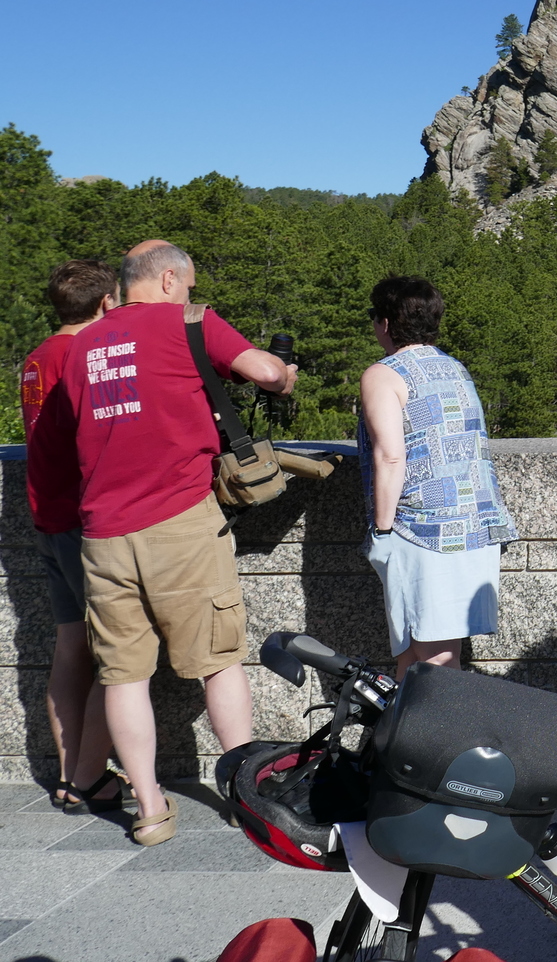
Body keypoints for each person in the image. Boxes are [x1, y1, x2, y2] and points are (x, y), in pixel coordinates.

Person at [41, 240, 297, 845]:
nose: (188, 294)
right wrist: (283, 375)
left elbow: (69, 435)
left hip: (102, 533)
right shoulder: (190, 320)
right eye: (185, 284)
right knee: (218, 660)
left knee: (123, 675)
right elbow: (263, 372)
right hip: (179, 520)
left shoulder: (82, 346)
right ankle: (247, 794)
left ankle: (151, 808)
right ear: (167, 279)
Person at [358, 276, 516, 677]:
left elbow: (391, 457)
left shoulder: (383, 374)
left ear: (387, 323)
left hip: (426, 531)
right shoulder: (455, 368)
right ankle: (399, 739)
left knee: (436, 662)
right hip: (476, 526)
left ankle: (444, 739)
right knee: (414, 656)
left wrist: (381, 530)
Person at [21, 260, 120, 813]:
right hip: (84, 520)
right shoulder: (83, 355)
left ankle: (67, 774)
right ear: (106, 303)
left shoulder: (37, 355)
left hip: (46, 515)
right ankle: (87, 779)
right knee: (119, 657)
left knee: (69, 646)